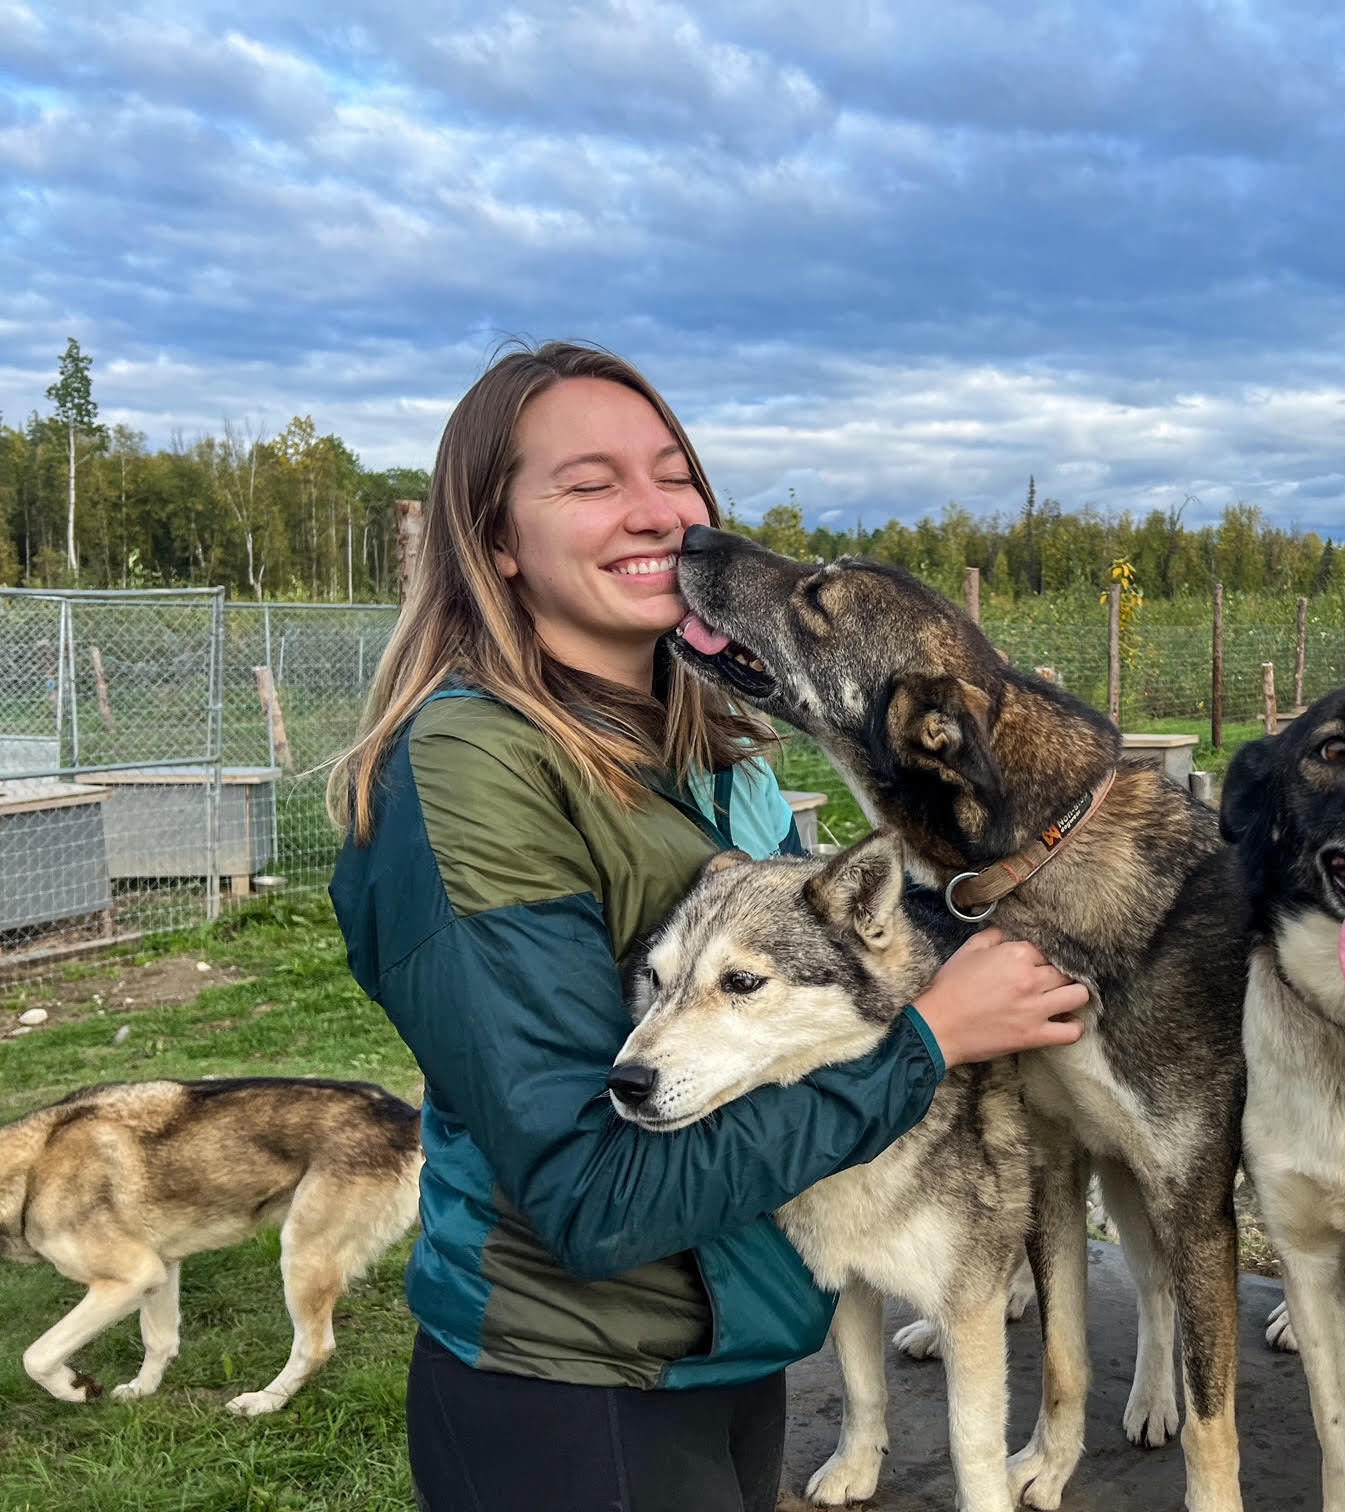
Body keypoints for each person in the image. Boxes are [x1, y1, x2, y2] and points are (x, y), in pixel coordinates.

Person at [327, 342, 1088, 1512]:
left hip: (724, 1347)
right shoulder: (468, 774)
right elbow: (593, 1196)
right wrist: (928, 1041)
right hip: (571, 1386)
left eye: (674, 473)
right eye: (588, 484)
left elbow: (824, 970)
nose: (657, 514)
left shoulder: (700, 753)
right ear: (494, 547)